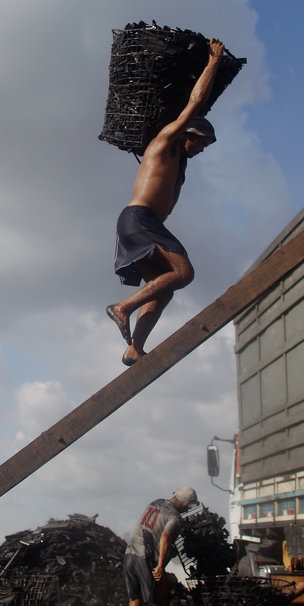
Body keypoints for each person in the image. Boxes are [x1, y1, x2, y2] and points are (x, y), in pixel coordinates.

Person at [107, 38, 225, 365]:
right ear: (188, 132)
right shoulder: (166, 141)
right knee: (184, 272)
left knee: (165, 288)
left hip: (141, 224)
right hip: (139, 219)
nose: (201, 149)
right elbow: (196, 102)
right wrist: (213, 62)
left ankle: (134, 347)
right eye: (201, 142)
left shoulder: (179, 165)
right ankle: (122, 308)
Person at [120, 486, 198, 606]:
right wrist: (161, 565)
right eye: (187, 506)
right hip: (146, 559)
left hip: (130, 554)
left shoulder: (155, 503)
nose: (186, 509)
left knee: (134, 603)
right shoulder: (175, 517)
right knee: (162, 603)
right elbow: (166, 536)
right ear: (182, 503)